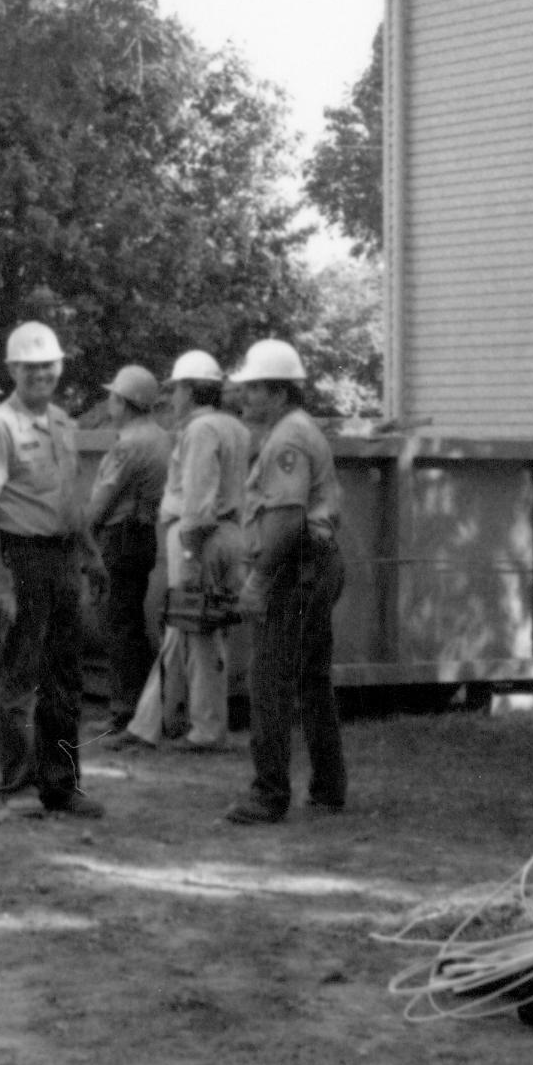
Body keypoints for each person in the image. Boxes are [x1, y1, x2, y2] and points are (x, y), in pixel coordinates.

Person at [0, 321, 101, 819]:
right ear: (13, 370)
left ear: (60, 367)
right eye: (31, 366)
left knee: (65, 678)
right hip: (20, 558)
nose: (41, 373)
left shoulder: (65, 424)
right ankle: (18, 788)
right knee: (21, 677)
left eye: (48, 365)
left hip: (63, 557)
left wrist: (90, 553)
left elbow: (70, 502)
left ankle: (62, 786)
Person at [222, 339, 346, 824]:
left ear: (278, 392)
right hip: (315, 566)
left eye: (253, 389)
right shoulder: (298, 430)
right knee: (312, 680)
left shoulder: (286, 440)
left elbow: (287, 520)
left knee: (270, 679)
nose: (245, 397)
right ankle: (329, 786)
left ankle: (269, 793)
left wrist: (257, 582)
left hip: (296, 569)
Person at [115, 348, 252, 753]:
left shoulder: (200, 431)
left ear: (191, 391)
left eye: (177, 390)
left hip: (199, 539)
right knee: (193, 631)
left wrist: (191, 555)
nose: (172, 398)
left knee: (193, 628)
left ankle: (197, 729)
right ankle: (154, 724)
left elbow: (198, 499)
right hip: (231, 534)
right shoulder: (236, 428)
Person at [82, 363, 169, 730]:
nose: (109, 404)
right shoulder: (161, 437)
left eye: (113, 397)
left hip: (120, 537)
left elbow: (102, 501)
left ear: (125, 402)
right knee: (128, 621)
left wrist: (81, 536)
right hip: (142, 534)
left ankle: (126, 710)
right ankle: (145, 707)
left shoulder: (129, 445)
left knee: (118, 624)